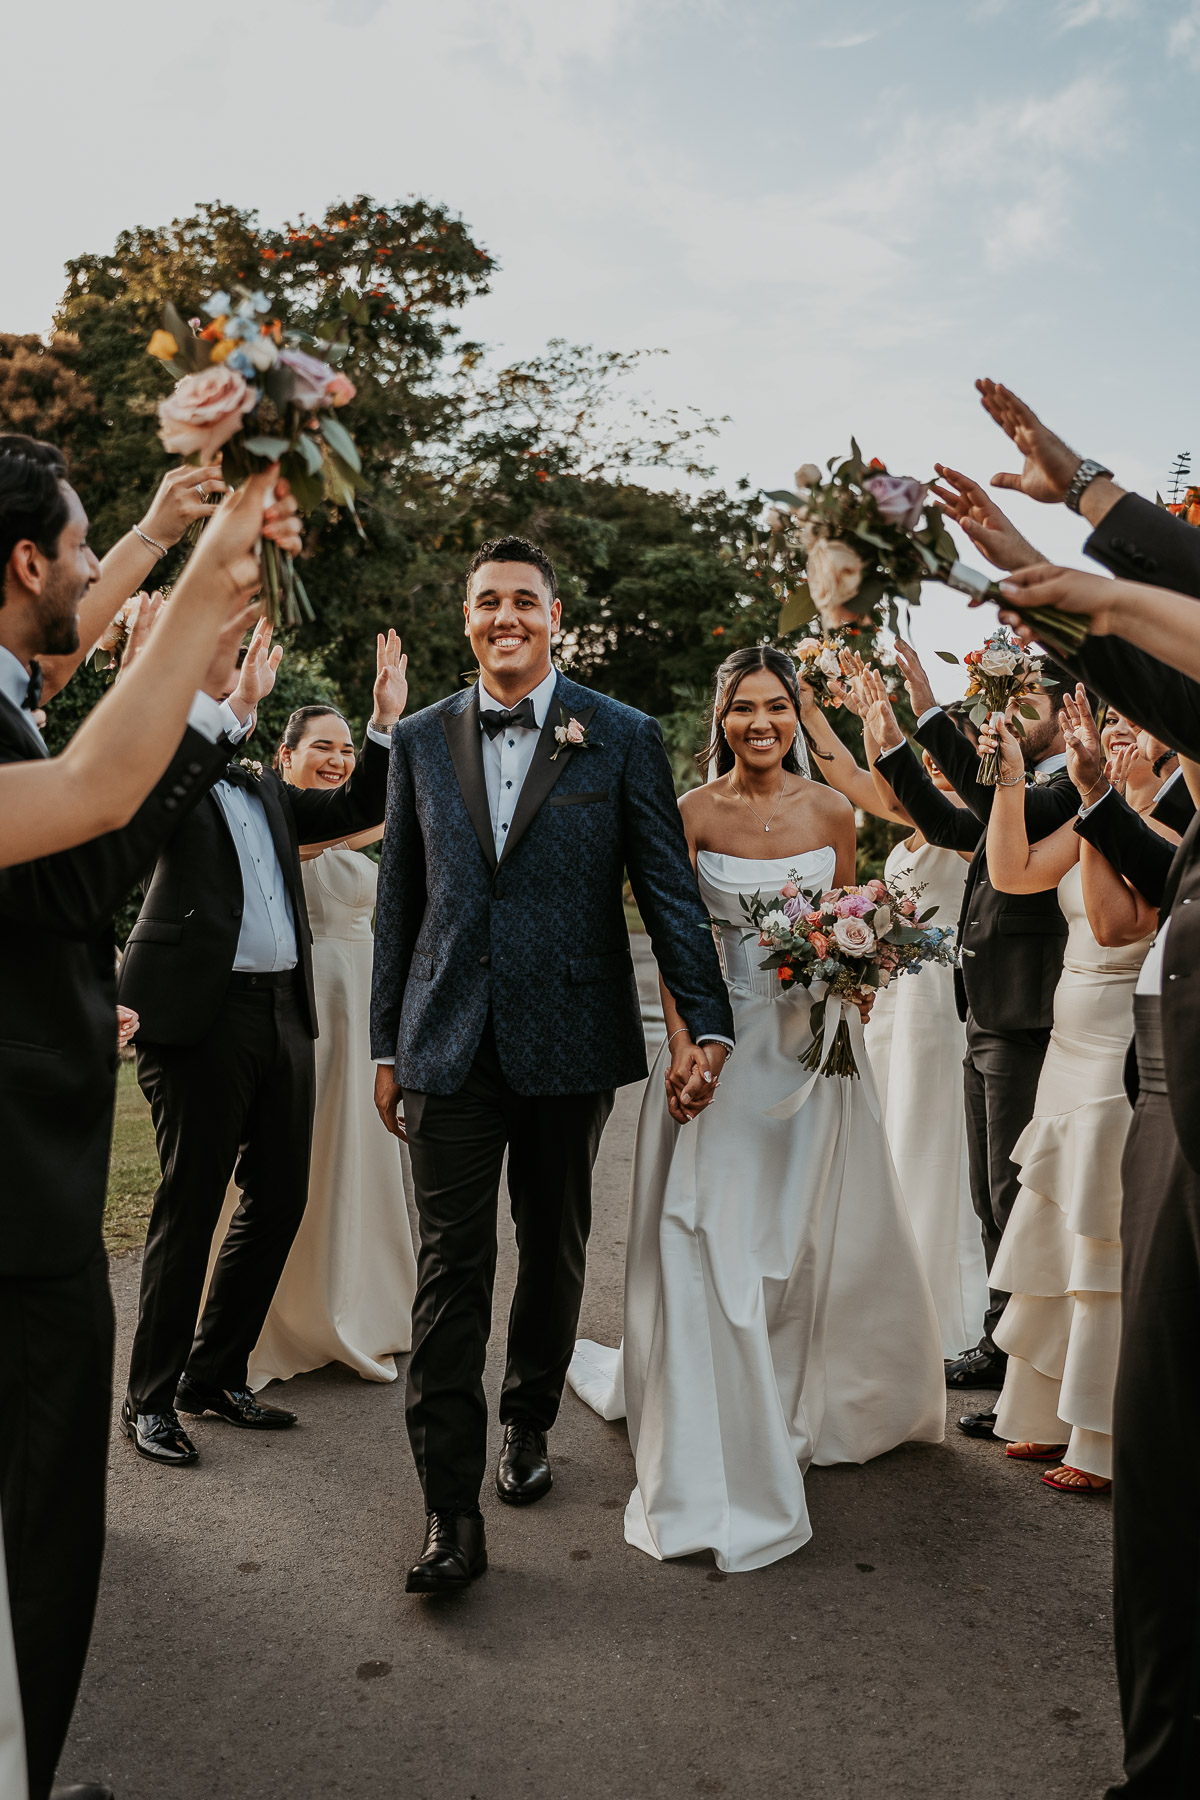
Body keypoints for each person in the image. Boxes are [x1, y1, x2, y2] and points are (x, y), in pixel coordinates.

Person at [0, 438, 300, 1800]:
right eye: (76, 552)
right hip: (14, 1202)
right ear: (22, 564)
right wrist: (218, 557)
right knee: (32, 1533)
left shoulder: (9, 679)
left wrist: (162, 523)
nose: (95, 578)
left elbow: (50, 668)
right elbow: (92, 804)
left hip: (34, 1154)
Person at [370, 534, 735, 1595]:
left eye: (523, 601)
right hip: (445, 1040)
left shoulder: (618, 736)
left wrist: (702, 1022)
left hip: (570, 1041)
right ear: (467, 619)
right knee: (451, 1270)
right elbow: (400, 898)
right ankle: (448, 1513)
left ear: (555, 616)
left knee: (556, 1247)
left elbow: (666, 888)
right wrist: (389, 1039)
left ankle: (527, 1419)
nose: (505, 618)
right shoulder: (422, 738)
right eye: (487, 602)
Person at [940, 386, 1200, 1796]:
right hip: (1170, 1107)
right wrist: (1034, 593)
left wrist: (1093, 520)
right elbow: (1156, 683)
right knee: (1164, 1476)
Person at [567, 644, 944, 1572]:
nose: (762, 724)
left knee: (801, 1236)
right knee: (708, 1231)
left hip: (813, 1055)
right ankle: (706, 1422)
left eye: (777, 706)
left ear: (793, 715)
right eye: (744, 708)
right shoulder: (689, 812)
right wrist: (689, 1041)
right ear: (721, 718)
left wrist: (857, 975)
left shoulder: (831, 810)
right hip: (718, 1043)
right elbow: (668, 928)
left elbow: (858, 911)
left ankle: (787, 1399)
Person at [118, 631, 405, 1467]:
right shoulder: (170, 780)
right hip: (199, 1020)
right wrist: (239, 702)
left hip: (285, 1012)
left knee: (280, 1196)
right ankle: (150, 1399)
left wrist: (384, 723)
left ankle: (214, 1375)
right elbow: (163, 753)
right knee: (191, 1203)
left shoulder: (271, 797)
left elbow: (361, 808)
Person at [868, 640, 1080, 1390]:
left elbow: (993, 808)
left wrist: (928, 714)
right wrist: (893, 741)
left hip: (1030, 1013)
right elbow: (955, 827)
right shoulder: (1018, 791)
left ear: (1068, 710)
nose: (1012, 716)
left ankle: (1025, 1362)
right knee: (989, 1195)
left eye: (1029, 701)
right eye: (1007, 700)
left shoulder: (1072, 790)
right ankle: (1001, 1343)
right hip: (982, 1008)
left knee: (1014, 1193)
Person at [962, 693, 1159, 1490]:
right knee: (1049, 1230)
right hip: (1065, 1049)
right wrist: (1010, 779)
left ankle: (1102, 1439)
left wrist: (1094, 802)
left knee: (1098, 1244)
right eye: (1109, 720)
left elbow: (1113, 927)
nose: (1115, 732)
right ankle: (1044, 1415)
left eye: (1133, 724)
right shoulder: (1095, 817)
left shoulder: (1168, 832)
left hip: (1117, 1050)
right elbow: (1011, 874)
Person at [206, 706, 417, 1389]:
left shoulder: (351, 829)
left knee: (360, 1145)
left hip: (364, 1001)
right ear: (283, 757)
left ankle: (363, 1298)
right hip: (310, 1000)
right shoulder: (276, 821)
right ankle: (285, 1310)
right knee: (300, 1154)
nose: (338, 757)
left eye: (349, 748)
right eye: (322, 746)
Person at [799, 666, 987, 1356]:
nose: (935, 771)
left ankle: (945, 1311)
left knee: (930, 1140)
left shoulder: (975, 826)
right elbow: (851, 776)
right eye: (930, 760)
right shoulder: (912, 816)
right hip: (897, 1003)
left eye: (948, 760)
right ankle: (886, 1293)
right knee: (892, 1136)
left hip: (940, 1006)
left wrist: (895, 934)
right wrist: (812, 711)